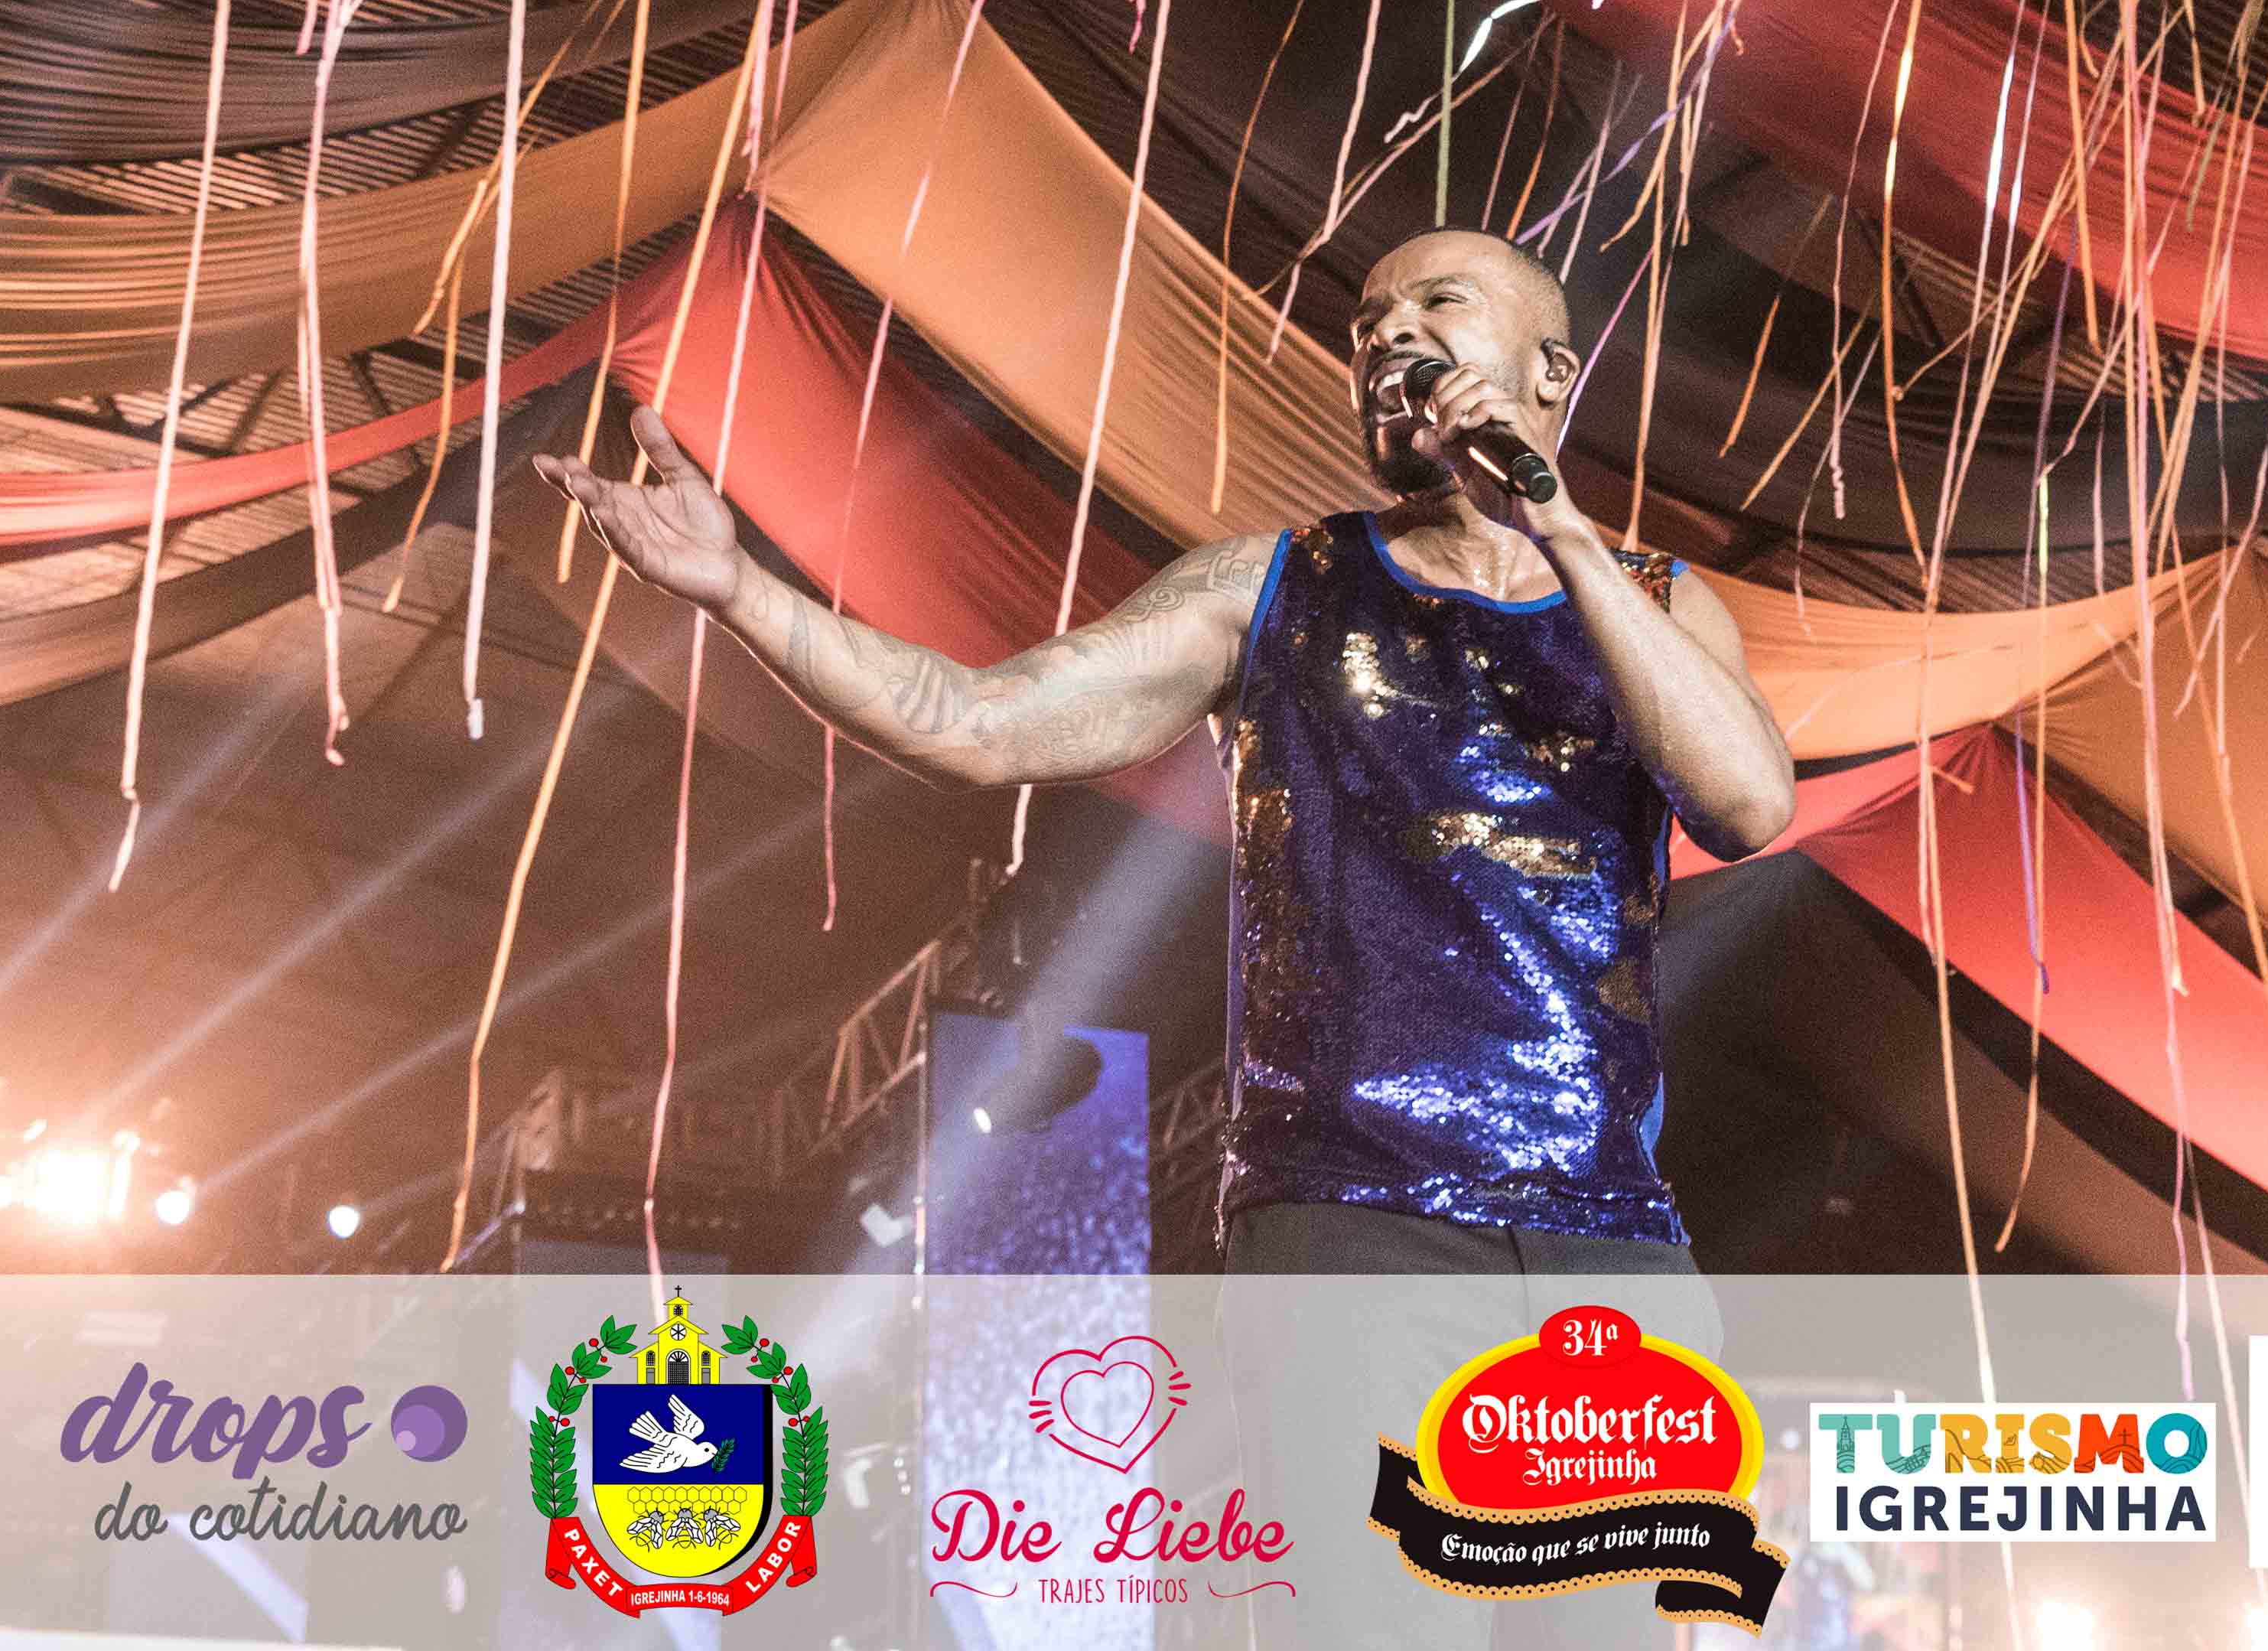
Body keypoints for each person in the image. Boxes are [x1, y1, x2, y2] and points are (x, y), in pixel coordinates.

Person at [533, 224, 1798, 1642]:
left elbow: (1749, 802)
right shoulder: (1277, 588)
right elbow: (978, 723)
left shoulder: (1660, 604)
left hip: (1610, 1251)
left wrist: (1558, 529)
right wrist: (741, 591)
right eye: (1367, 322)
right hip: (1354, 1226)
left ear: (1552, 373)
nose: (1386, 336)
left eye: (1435, 303)